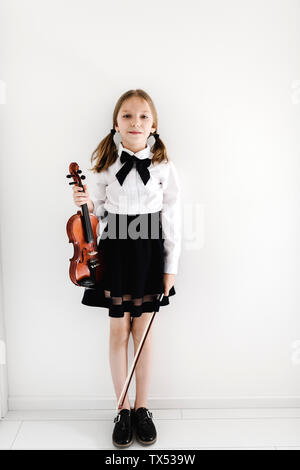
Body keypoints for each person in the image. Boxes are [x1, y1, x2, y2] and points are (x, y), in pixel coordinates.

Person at [72, 89, 182, 448]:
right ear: (116, 123)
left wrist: (171, 267)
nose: (135, 123)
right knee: (119, 332)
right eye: (127, 116)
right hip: (116, 250)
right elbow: (98, 215)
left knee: (144, 335)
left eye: (143, 117)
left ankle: (142, 408)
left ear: (154, 124)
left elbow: (172, 217)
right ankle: (121, 408)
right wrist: (84, 202)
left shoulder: (164, 165)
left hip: (150, 251)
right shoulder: (105, 163)